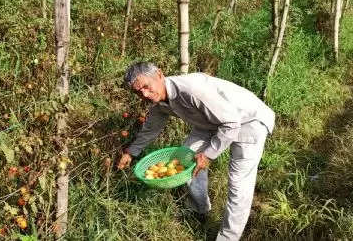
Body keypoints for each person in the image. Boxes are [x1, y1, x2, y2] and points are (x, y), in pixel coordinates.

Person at [117, 62, 275, 241]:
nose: (144, 94)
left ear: (159, 75)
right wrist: (131, 152)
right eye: (138, 92)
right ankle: (199, 210)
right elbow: (151, 129)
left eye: (146, 86)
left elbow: (231, 123)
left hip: (249, 120)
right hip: (211, 123)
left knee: (238, 185)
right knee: (186, 160)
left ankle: (228, 237)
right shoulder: (159, 101)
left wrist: (208, 154)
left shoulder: (191, 90)